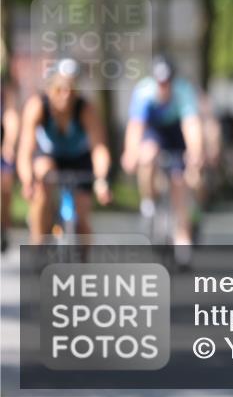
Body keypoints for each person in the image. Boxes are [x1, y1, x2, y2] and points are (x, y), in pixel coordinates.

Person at [16, 59, 112, 244]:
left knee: (83, 217)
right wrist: (27, 181)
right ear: (49, 89)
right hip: (49, 156)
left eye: (71, 90)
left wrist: (101, 180)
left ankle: (82, 257)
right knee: (42, 182)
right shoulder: (37, 107)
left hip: (79, 159)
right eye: (59, 89)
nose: (66, 95)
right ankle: (38, 242)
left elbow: (99, 148)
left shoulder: (86, 110)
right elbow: (26, 150)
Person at [121, 55, 203, 266]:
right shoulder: (144, 92)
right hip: (154, 132)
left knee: (179, 184)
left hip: (176, 134)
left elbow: (191, 125)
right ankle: (148, 200)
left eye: (167, 82)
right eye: (160, 82)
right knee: (147, 156)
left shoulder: (183, 91)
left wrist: (195, 153)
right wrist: (130, 153)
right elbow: (136, 126)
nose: (163, 86)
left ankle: (182, 242)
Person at [1, 72, 21, 252]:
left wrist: (9, 144)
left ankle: (4, 228)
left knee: (5, 188)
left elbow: (11, 118)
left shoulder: (5, 91)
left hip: (3, 147)